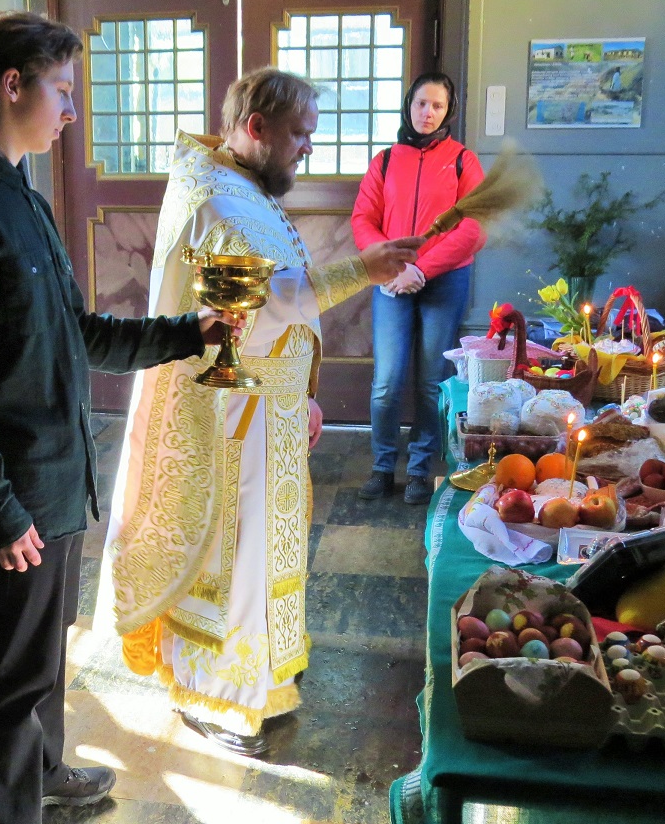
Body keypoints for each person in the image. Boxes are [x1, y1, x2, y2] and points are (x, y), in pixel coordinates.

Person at [0, 11, 239, 824]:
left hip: (56, 471)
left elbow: (75, 332)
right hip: (13, 489)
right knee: (5, 678)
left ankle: (43, 772)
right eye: (62, 90)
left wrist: (186, 333)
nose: (71, 110)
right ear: (11, 85)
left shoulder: (22, 195)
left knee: (46, 651)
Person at [104, 67, 423, 757]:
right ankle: (214, 696)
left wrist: (302, 392)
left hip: (268, 408)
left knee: (269, 552)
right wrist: (362, 270)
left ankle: (264, 674)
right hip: (228, 417)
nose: (308, 146)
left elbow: (282, 311)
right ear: (256, 128)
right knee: (235, 559)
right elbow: (258, 302)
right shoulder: (215, 198)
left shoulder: (242, 186)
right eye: (300, 133)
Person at [351, 71, 485, 505]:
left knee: (432, 381)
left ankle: (420, 469)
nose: (427, 113)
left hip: (444, 280)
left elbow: (473, 228)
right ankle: (382, 466)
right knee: (386, 381)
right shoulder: (385, 160)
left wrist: (421, 269)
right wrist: (392, 267)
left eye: (437, 106)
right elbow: (363, 219)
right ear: (408, 106)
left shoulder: (463, 161)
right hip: (391, 280)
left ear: (449, 111)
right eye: (421, 103)